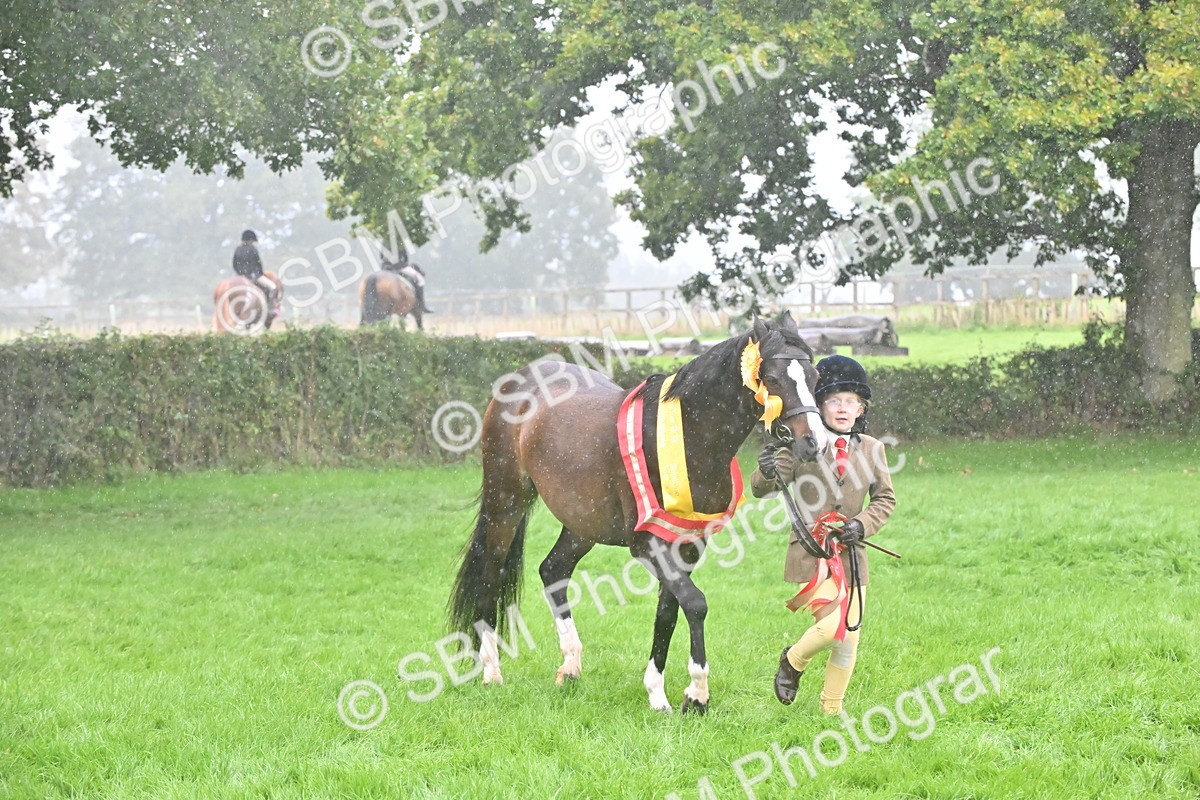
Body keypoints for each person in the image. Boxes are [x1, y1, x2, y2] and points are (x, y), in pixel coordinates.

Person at [750, 354, 896, 715]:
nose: (843, 409)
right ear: (820, 406)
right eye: (834, 401)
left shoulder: (874, 449)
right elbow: (761, 487)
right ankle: (793, 660)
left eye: (851, 402)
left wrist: (861, 524)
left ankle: (832, 710)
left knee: (850, 636)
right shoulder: (802, 446)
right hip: (811, 553)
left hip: (852, 555)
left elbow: (885, 498)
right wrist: (767, 469)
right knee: (834, 628)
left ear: (861, 409)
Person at [231, 229, 280, 312]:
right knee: (273, 287)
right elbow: (258, 264)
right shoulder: (252, 249)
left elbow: (235, 265)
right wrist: (260, 273)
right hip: (254, 276)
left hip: (241, 277)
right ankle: (270, 308)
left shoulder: (237, 249)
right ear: (250, 240)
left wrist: (240, 275)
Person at [382, 248, 434, 314]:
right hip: (399, 266)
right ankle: (421, 304)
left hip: (385, 268)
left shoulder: (385, 239)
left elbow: (381, 256)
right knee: (420, 280)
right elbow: (405, 257)